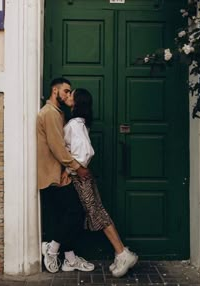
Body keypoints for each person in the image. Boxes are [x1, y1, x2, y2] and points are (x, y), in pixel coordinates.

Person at [61, 88, 138, 278]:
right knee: (97, 212)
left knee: (97, 214)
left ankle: (122, 253)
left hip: (79, 178)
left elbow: (86, 152)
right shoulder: (80, 123)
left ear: (77, 102)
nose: (68, 96)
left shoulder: (74, 124)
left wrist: (70, 170)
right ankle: (122, 253)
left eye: (71, 94)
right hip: (82, 176)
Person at [37, 78, 95, 273]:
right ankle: (51, 248)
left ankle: (69, 259)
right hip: (54, 176)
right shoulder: (50, 114)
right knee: (75, 213)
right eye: (66, 91)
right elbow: (58, 147)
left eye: (70, 93)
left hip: (59, 174)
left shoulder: (57, 114)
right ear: (55, 90)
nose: (68, 95)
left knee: (65, 216)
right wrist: (76, 168)